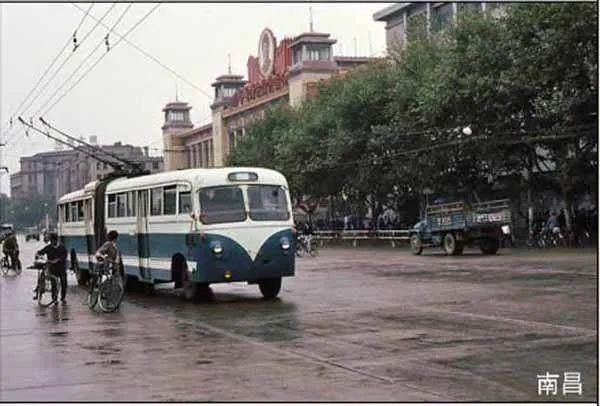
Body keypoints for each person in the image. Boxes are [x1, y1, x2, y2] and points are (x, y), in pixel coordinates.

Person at [35, 232, 67, 302]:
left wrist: (58, 259)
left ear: (56, 240)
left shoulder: (62, 247)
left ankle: (63, 297)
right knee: (53, 283)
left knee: (63, 282)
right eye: (51, 241)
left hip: (61, 268)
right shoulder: (48, 247)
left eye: (52, 240)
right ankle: (54, 298)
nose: (51, 242)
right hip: (53, 268)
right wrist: (37, 254)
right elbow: (41, 252)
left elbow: (64, 255)